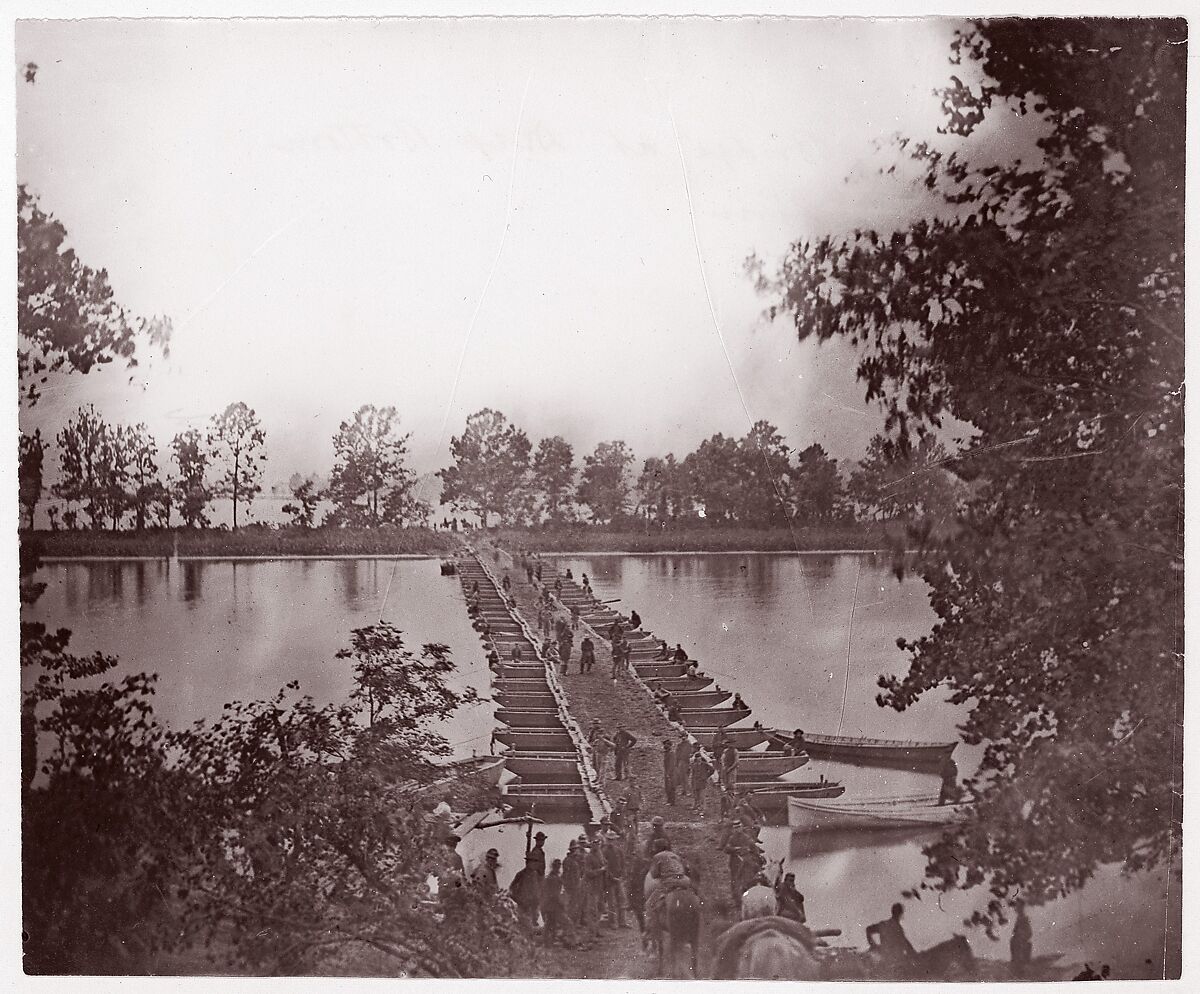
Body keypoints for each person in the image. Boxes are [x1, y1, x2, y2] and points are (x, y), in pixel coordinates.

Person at [509, 855, 543, 929]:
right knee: (523, 926)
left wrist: (538, 900)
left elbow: (537, 889)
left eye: (536, 862)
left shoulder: (535, 874)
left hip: (533, 906)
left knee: (533, 926)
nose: (535, 864)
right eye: (533, 862)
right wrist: (519, 900)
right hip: (524, 906)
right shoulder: (521, 874)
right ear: (528, 863)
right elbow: (511, 889)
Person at [603, 832, 628, 928]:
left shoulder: (619, 851)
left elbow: (623, 864)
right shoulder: (604, 851)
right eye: (609, 840)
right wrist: (612, 877)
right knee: (611, 902)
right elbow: (605, 866)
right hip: (610, 881)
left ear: (615, 840)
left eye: (612, 840)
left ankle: (622, 921)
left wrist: (622, 875)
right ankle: (612, 922)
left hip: (619, 879)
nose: (611, 842)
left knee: (622, 900)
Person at [582, 839, 607, 928]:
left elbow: (605, 864)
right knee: (592, 910)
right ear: (591, 845)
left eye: (598, 844)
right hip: (592, 886)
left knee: (600, 908)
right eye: (594, 844)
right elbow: (588, 872)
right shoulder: (588, 857)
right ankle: (591, 933)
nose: (596, 846)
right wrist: (600, 870)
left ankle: (596, 930)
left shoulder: (599, 855)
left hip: (600, 886)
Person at [542, 859, 566, 944]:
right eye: (558, 866)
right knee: (553, 923)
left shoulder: (550, 877)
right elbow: (555, 894)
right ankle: (549, 940)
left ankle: (549, 940)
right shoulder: (554, 878)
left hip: (549, 903)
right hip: (553, 904)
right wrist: (561, 903)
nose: (559, 867)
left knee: (550, 923)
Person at [562, 840, 584, 925]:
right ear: (572, 850)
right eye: (575, 849)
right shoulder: (568, 861)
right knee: (571, 906)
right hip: (571, 887)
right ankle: (569, 925)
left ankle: (573, 924)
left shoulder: (574, 860)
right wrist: (568, 886)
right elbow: (566, 875)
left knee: (575, 906)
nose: (577, 851)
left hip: (576, 886)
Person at [1010, 900, 1033, 977]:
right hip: (1017, 939)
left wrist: (1022, 935)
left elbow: (1029, 932)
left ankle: (1020, 970)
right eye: (1017, 907)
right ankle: (1016, 969)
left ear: (1022, 908)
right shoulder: (1019, 918)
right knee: (1013, 942)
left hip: (1022, 939)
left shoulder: (1024, 918)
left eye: (1019, 907)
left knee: (1019, 947)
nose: (1017, 909)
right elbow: (1014, 930)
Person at [662, 738, 676, 805]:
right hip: (667, 772)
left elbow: (671, 764)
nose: (665, 746)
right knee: (667, 787)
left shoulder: (671, 754)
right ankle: (669, 800)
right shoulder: (666, 753)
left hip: (671, 773)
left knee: (671, 787)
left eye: (667, 745)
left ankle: (672, 801)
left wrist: (668, 773)